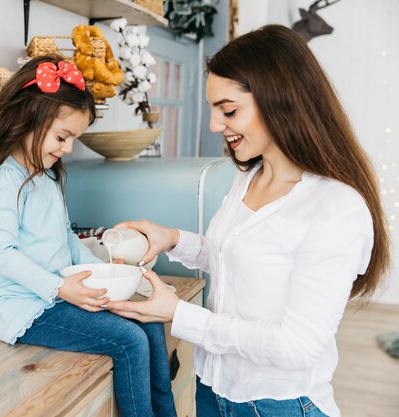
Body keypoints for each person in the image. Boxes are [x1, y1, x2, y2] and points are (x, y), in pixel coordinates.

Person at [106, 25, 390, 417]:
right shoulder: (249, 176)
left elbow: (298, 345)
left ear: (281, 100)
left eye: (229, 110)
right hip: (214, 392)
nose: (214, 125)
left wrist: (179, 314)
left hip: (281, 405)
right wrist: (171, 239)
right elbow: (237, 258)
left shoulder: (335, 208)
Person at [0, 55, 177, 417]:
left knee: (149, 320)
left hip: (61, 295)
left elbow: (66, 239)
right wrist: (61, 289)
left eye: (74, 138)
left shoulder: (46, 178)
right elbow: (1, 254)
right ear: (29, 118)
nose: (69, 148)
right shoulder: (2, 182)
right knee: (129, 341)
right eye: (63, 136)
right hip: (27, 308)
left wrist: (104, 274)